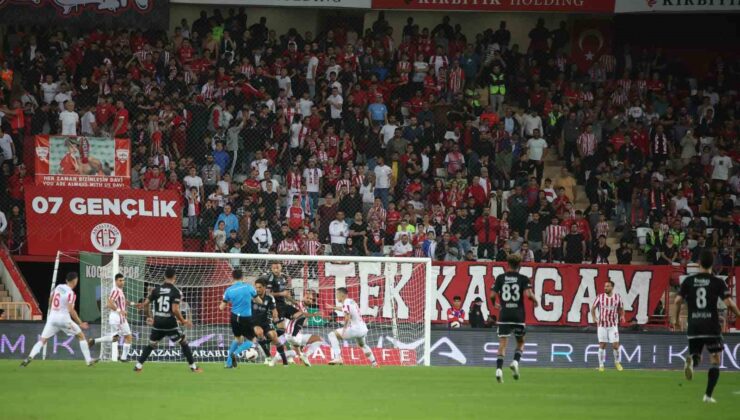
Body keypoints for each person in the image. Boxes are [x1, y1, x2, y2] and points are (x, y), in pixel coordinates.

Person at [673, 250, 740, 403]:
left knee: (697, 355)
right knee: (715, 359)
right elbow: (729, 303)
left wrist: (676, 320)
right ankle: (708, 396)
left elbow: (677, 301)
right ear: (713, 265)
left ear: (698, 264)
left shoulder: (689, 281)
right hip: (711, 326)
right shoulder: (717, 282)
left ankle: (691, 359)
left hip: (694, 325)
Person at [133, 268, 201, 373]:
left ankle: (138, 366)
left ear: (164, 277)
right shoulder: (176, 291)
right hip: (170, 323)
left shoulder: (156, 290)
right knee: (183, 342)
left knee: (151, 344)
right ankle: (193, 367)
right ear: (175, 277)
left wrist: (149, 316)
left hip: (158, 322)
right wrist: (183, 320)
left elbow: (145, 304)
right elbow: (174, 309)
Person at [21, 272, 96, 367]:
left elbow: (50, 299)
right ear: (75, 281)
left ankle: (29, 357)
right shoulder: (71, 293)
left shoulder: (58, 287)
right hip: (64, 320)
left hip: (52, 318)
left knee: (43, 340)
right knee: (81, 336)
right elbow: (71, 310)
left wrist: (50, 309)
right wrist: (80, 323)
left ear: (66, 280)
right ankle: (88, 360)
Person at [490, 254, 539, 383]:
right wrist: (535, 300)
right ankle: (515, 362)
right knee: (521, 342)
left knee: (502, 343)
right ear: (519, 265)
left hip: (504, 314)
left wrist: (495, 303)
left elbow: (492, 295)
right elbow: (528, 294)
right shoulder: (523, 278)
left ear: (507, 264)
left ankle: (499, 370)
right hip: (518, 315)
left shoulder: (500, 278)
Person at [326, 287, 378, 367]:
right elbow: (344, 309)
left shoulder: (346, 302)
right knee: (363, 345)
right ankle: (374, 363)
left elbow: (347, 317)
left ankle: (338, 357)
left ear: (341, 294)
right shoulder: (351, 301)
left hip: (355, 329)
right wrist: (333, 307)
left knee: (332, 335)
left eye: (337, 294)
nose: (336, 296)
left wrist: (344, 329)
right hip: (363, 328)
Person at [87, 273, 133, 362]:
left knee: (120, 338)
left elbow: (122, 301)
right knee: (123, 337)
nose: (122, 282)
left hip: (120, 318)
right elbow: (109, 303)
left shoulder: (119, 290)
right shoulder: (115, 290)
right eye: (120, 280)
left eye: (123, 280)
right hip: (117, 317)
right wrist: (120, 311)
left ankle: (94, 341)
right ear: (116, 281)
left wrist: (133, 304)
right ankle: (123, 358)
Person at [219, 269, 259, 368]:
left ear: (232, 277)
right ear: (242, 277)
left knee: (237, 339)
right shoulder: (248, 287)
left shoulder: (229, 290)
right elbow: (258, 300)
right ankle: (235, 354)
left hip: (234, 317)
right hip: (246, 317)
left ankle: (228, 364)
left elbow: (221, 307)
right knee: (251, 340)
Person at [252, 277, 289, 366]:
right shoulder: (252, 297)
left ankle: (285, 361)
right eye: (256, 287)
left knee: (274, 337)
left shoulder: (269, 298)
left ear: (264, 287)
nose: (258, 289)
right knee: (259, 332)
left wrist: (276, 318)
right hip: (255, 322)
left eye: (260, 287)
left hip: (266, 322)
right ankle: (268, 356)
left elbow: (274, 311)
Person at [590, 280, 625, 372]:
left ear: (612, 287)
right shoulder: (600, 297)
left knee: (615, 345)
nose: (605, 288)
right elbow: (593, 308)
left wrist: (622, 316)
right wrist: (594, 317)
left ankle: (617, 362)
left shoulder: (617, 297)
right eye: (605, 286)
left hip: (613, 325)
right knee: (602, 345)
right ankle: (601, 365)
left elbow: (621, 308)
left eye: (608, 286)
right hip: (602, 325)